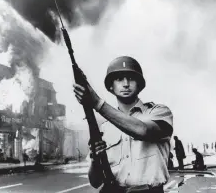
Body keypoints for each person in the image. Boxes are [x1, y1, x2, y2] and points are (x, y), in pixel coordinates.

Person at [73, 56, 173, 193]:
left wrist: (96, 103)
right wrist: (96, 159)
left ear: (139, 85)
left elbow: (143, 130)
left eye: (131, 79)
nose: (126, 84)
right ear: (111, 86)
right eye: (119, 79)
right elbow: (95, 182)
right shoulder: (105, 128)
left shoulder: (158, 112)